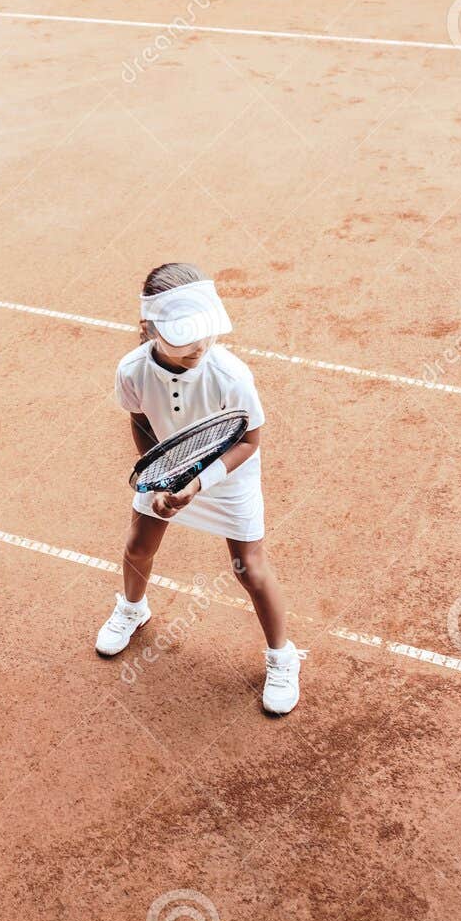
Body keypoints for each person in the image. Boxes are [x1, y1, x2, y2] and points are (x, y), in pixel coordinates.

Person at [95, 263, 302, 715]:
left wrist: (200, 482)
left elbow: (249, 441)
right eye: (185, 336)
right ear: (150, 329)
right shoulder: (131, 370)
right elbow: (141, 421)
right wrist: (159, 478)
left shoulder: (230, 376)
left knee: (248, 568)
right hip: (173, 469)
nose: (199, 346)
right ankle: (133, 609)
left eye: (204, 333)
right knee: (137, 545)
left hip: (229, 475)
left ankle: (282, 658)